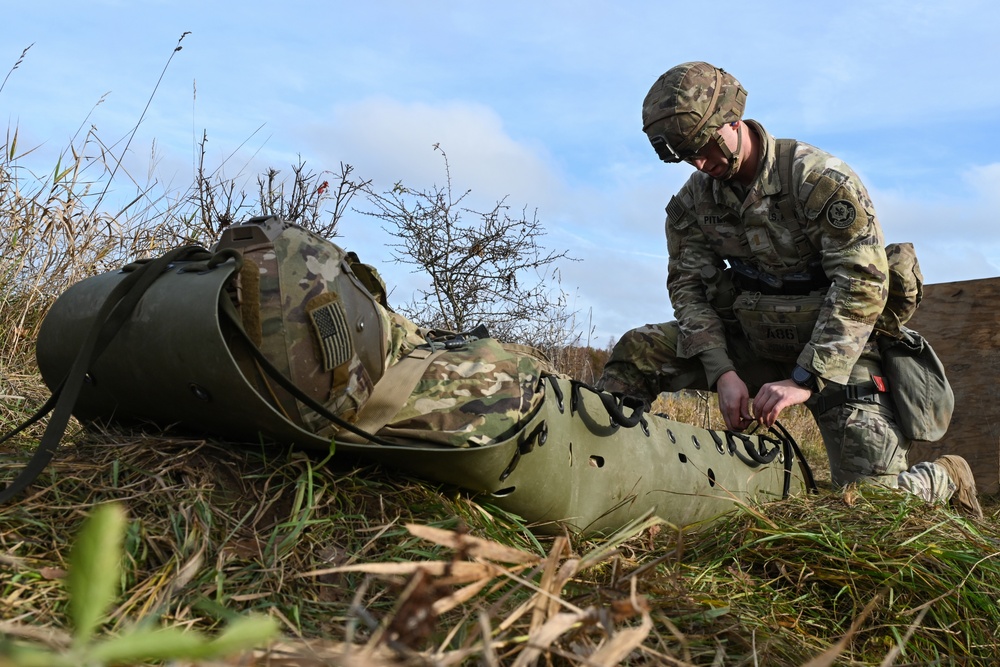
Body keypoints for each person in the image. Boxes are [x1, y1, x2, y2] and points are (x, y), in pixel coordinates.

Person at [599, 61, 983, 517]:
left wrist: (805, 379)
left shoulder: (818, 180)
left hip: (841, 356)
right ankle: (606, 476)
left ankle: (944, 476)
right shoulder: (691, 205)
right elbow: (688, 290)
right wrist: (722, 372)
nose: (701, 163)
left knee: (870, 512)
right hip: (754, 341)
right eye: (687, 155)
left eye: (705, 146)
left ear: (733, 119)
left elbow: (861, 283)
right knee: (640, 350)